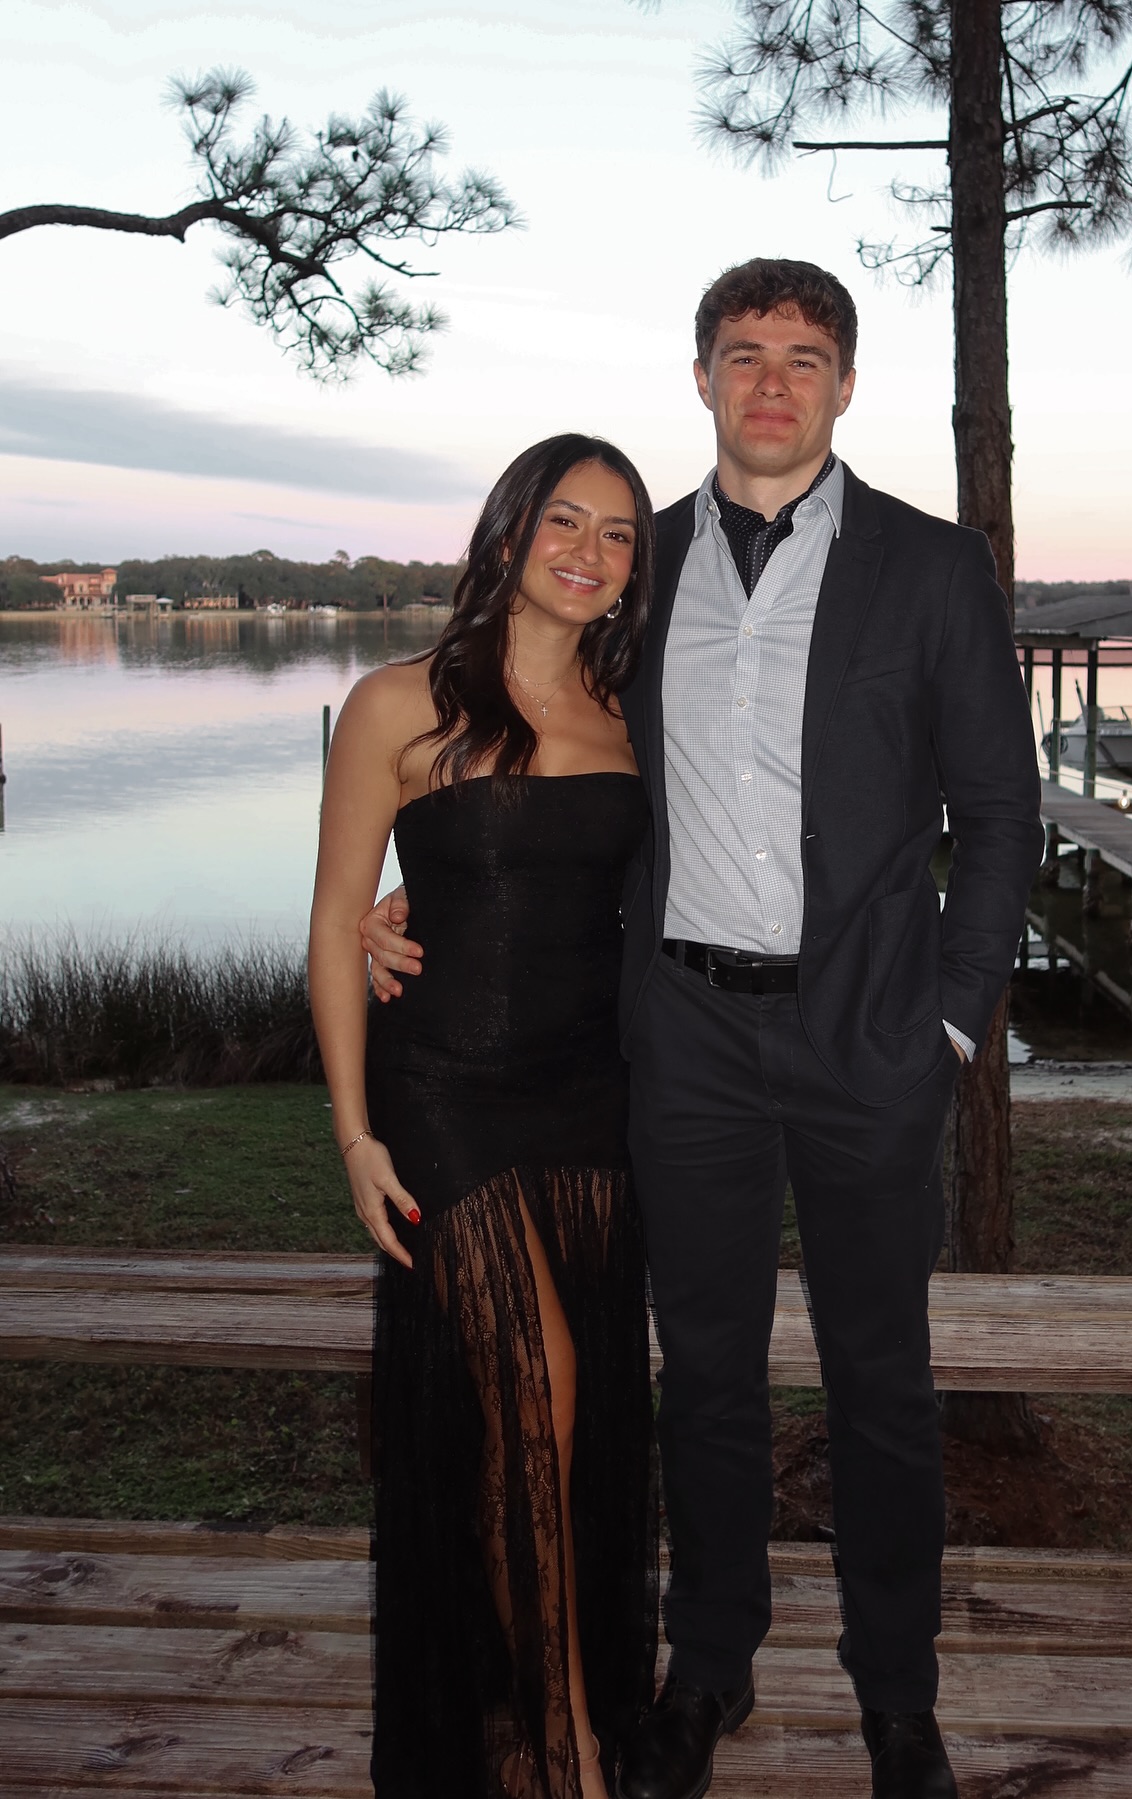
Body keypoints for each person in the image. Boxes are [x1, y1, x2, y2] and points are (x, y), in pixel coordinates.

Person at [366, 259, 1043, 1799]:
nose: (773, 383)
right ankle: (709, 1670)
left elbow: (1001, 815)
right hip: (684, 1044)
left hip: (869, 1041)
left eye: (805, 357)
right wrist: (406, 887)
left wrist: (950, 1024)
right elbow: (527, 738)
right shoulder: (638, 564)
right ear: (702, 378)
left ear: (846, 385)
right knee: (709, 1376)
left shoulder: (934, 568)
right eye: (744, 355)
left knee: (883, 1382)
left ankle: (899, 1701)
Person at [309, 433, 659, 1799]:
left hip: (591, 1096)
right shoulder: (396, 703)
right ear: (509, 534)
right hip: (444, 1093)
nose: (588, 551)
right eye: (564, 520)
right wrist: (354, 1135)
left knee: (556, 1435)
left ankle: (518, 1715)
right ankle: (566, 1748)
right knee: (537, 1384)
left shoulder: (634, 710)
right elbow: (336, 923)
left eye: (618, 534)